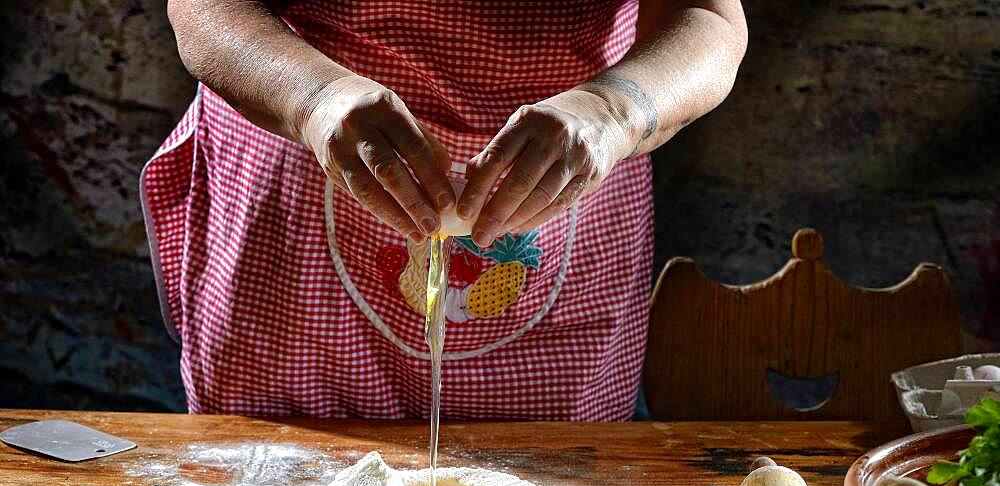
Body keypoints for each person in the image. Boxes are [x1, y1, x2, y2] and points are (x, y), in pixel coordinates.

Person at [145, 0, 747, 419]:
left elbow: (708, 17)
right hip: (307, 167)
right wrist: (315, 100)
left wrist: (613, 112)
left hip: (567, 172)